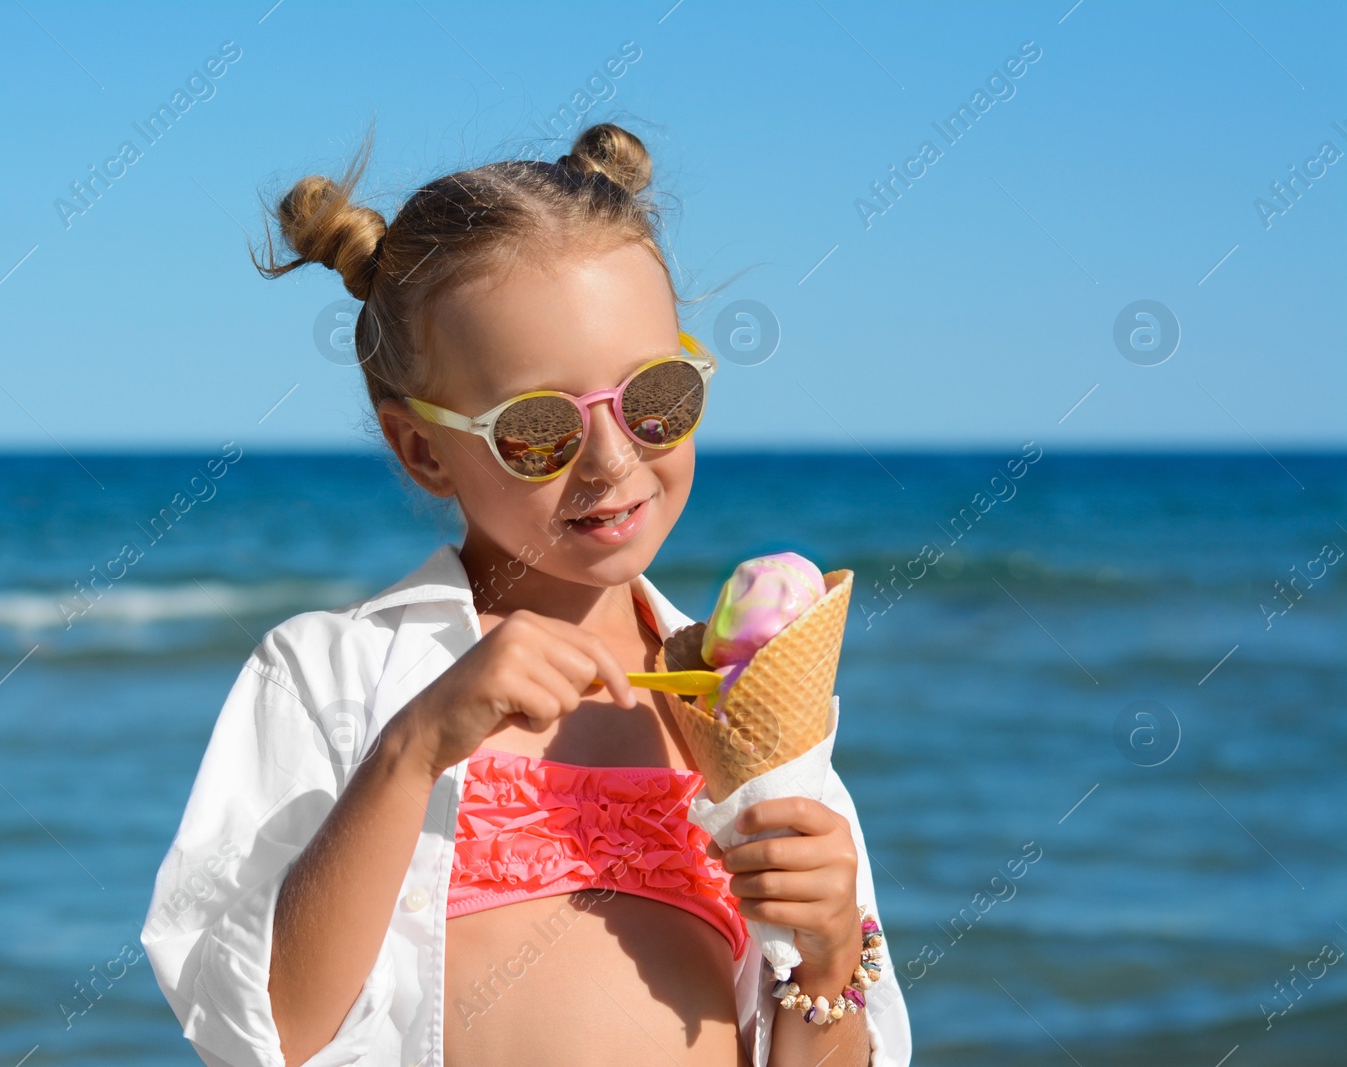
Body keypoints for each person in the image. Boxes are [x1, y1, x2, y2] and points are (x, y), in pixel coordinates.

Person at [141, 122, 911, 1067]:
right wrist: (414, 748)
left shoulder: (742, 712)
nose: (614, 457)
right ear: (423, 448)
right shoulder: (329, 675)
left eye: (656, 396)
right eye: (538, 427)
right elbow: (265, 1031)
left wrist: (830, 962)